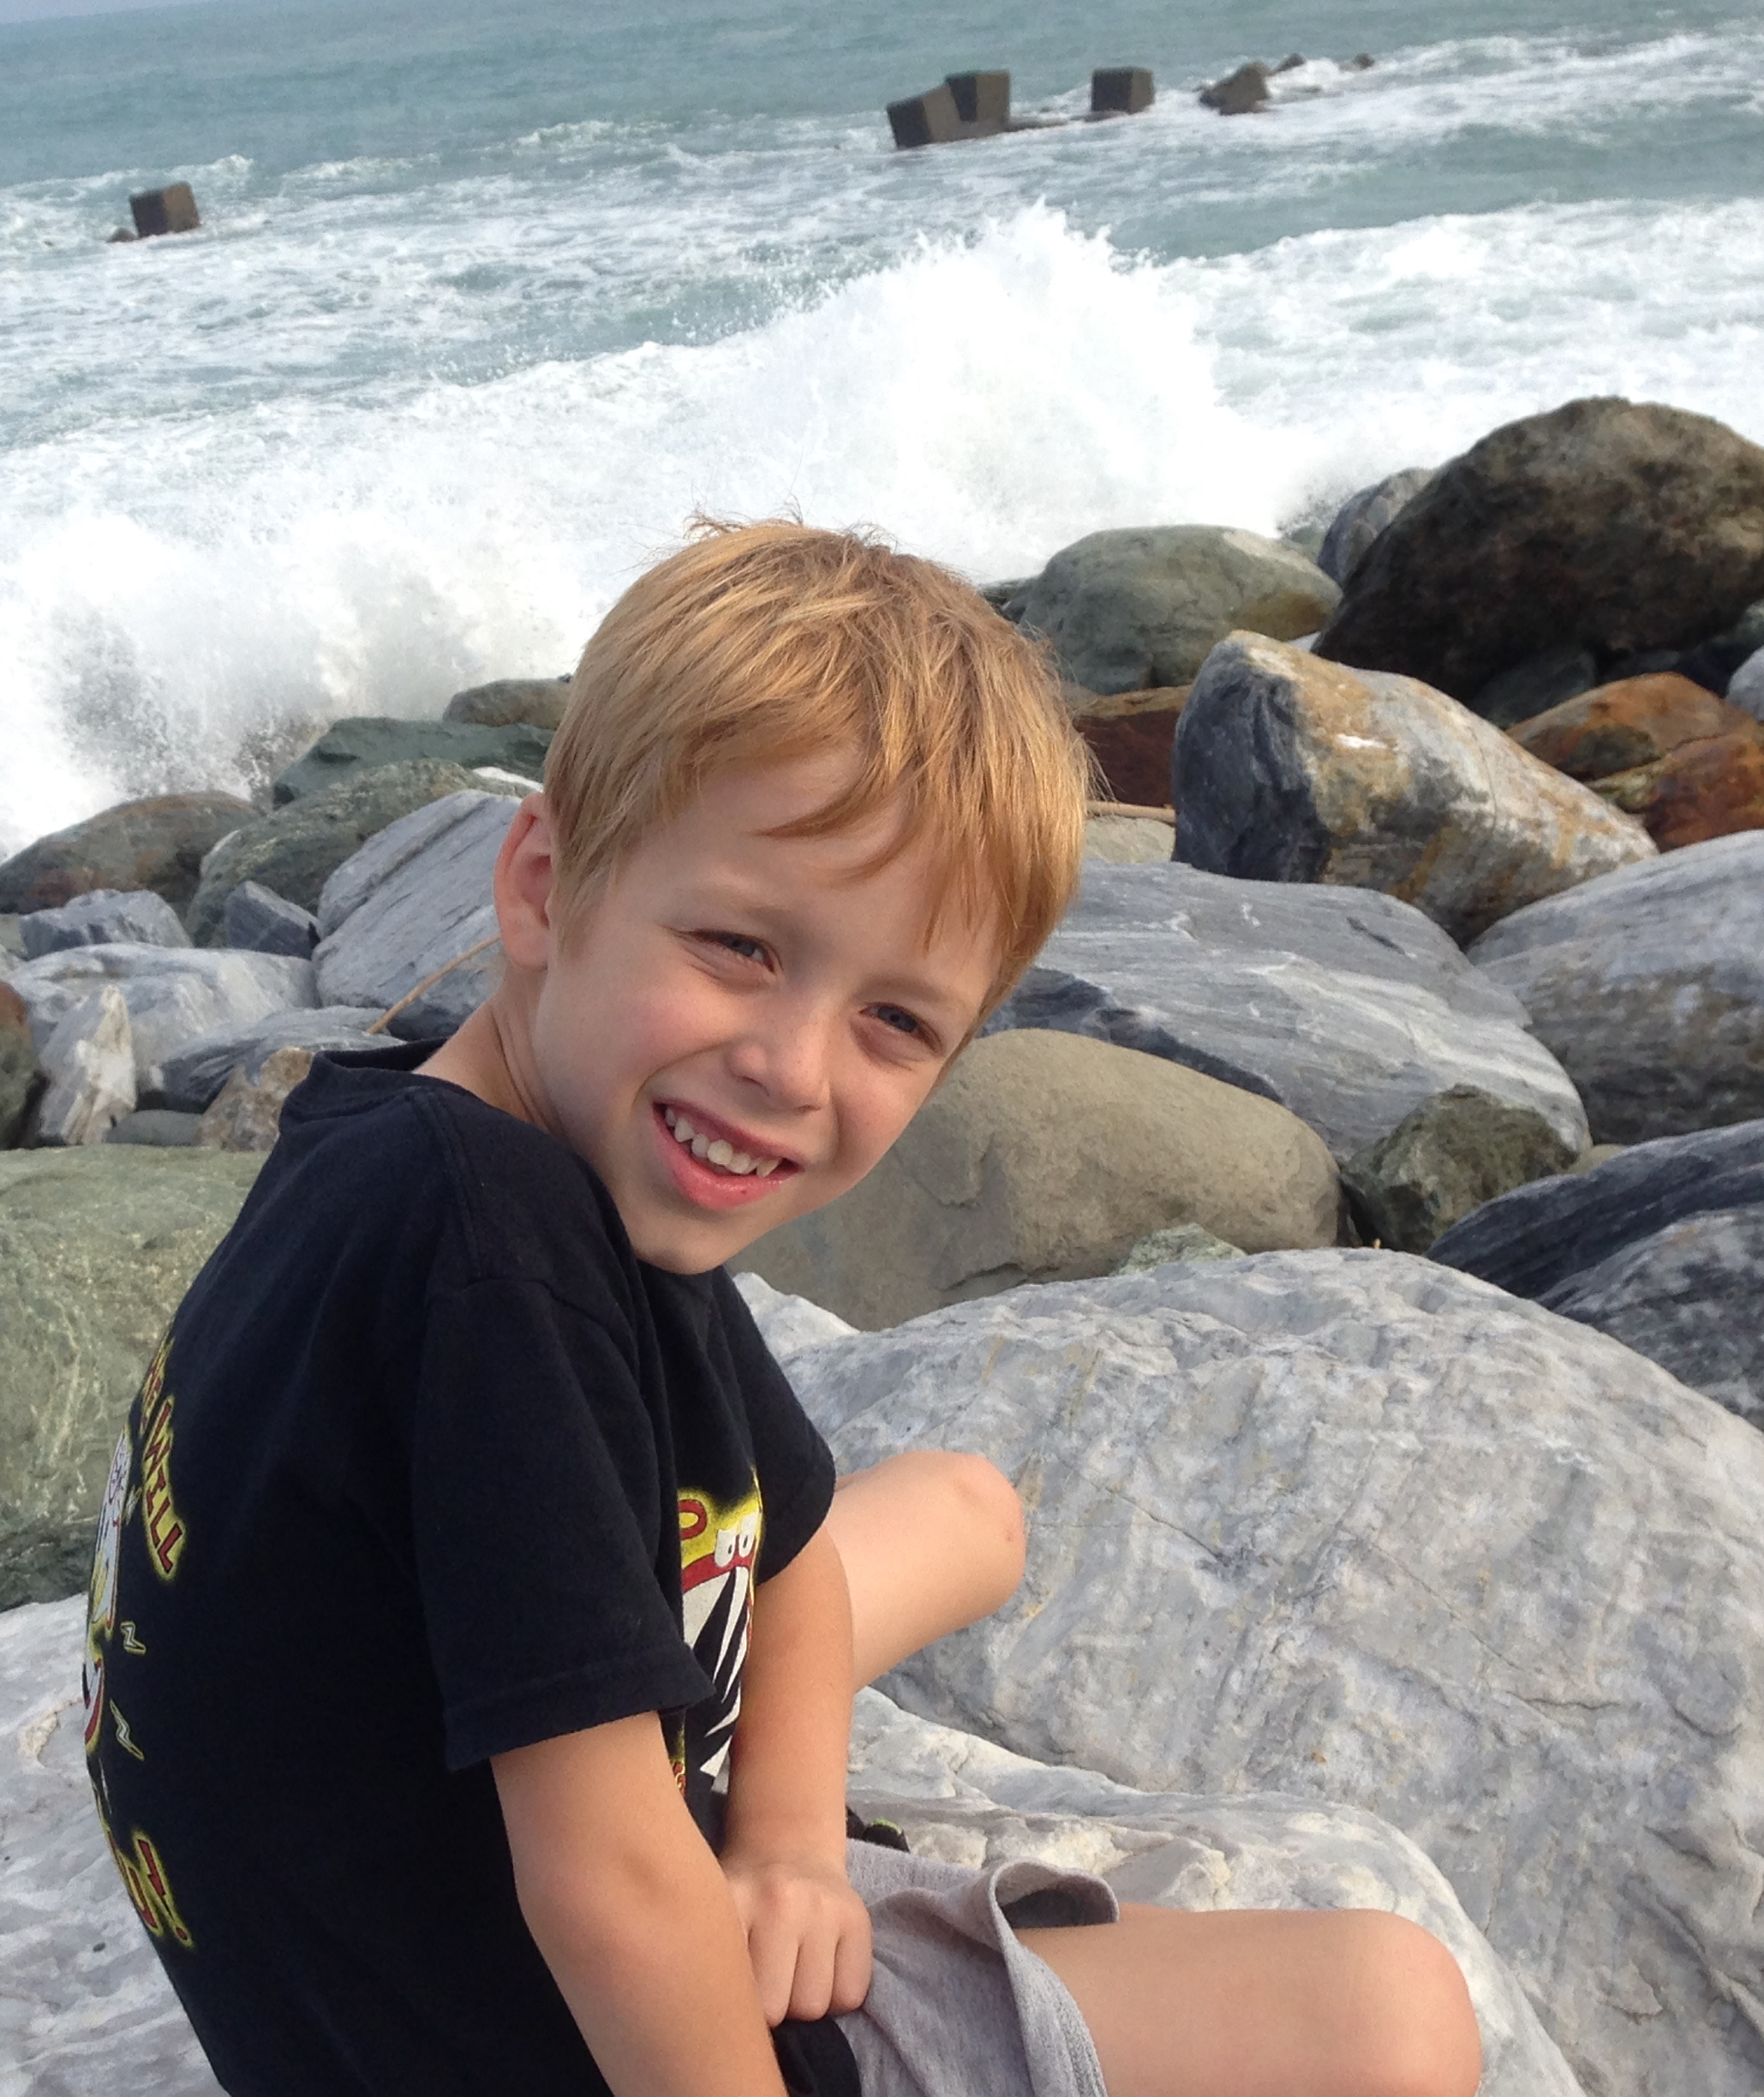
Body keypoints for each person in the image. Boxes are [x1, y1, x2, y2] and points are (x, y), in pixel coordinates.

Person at [81, 522, 1483, 2097]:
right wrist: (748, 1902)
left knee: (968, 1510)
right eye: (740, 947)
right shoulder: (496, 1259)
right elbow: (612, 1888)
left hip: (387, 1832)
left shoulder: (473, 1146)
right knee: (1395, 2015)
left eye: (895, 1021)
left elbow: (792, 1555)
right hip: (589, 2037)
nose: (791, 1068)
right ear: (543, 885)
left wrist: (795, 1844)